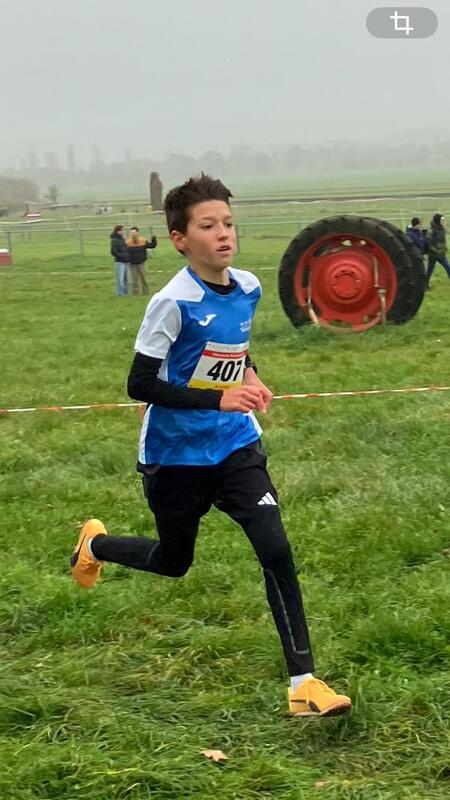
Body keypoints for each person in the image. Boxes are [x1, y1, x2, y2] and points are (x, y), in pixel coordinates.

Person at [71, 175, 351, 718]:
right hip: (174, 455)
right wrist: (219, 398)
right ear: (180, 239)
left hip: (235, 445)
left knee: (275, 549)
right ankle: (96, 546)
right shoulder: (171, 302)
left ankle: (304, 683)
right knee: (174, 560)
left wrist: (251, 375)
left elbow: (233, 348)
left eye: (227, 222)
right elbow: (140, 384)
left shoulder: (249, 287)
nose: (223, 234)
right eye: (208, 226)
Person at [126, 226, 158, 295]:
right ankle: (135, 293)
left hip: (142, 263)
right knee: (134, 280)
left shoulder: (143, 241)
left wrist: (154, 240)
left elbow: (152, 246)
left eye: (134, 232)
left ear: (137, 233)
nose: (133, 234)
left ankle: (146, 292)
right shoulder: (128, 242)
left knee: (144, 279)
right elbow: (125, 251)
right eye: (132, 233)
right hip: (132, 264)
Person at [425, 213, 450, 287]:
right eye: (442, 220)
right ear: (438, 220)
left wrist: (444, 247)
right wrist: (434, 250)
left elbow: (442, 240)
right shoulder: (431, 230)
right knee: (429, 271)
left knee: (448, 267)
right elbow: (427, 241)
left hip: (441, 254)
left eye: (444, 220)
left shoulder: (442, 229)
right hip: (433, 255)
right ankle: (425, 285)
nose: (444, 221)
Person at [110, 225, 129, 296]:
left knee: (126, 279)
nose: (123, 232)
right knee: (120, 279)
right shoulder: (114, 240)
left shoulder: (122, 239)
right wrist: (122, 256)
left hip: (126, 261)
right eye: (121, 230)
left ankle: (125, 292)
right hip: (119, 262)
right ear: (117, 231)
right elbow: (113, 252)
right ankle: (120, 293)